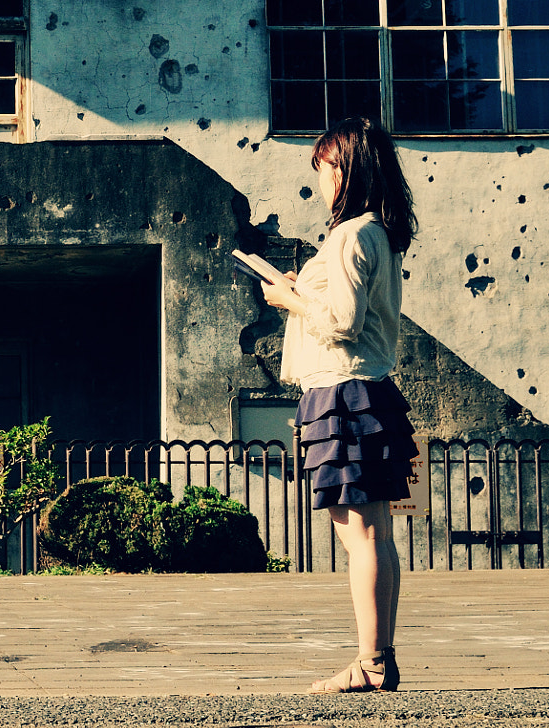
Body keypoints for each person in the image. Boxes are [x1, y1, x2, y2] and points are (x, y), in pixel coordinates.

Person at [236, 116, 418, 693]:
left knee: (361, 536)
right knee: (376, 536)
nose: (320, 180)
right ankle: (377, 659)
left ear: (348, 170)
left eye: (325, 168)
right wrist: (302, 289)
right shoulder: (376, 234)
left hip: (342, 391)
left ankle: (371, 664)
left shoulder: (348, 235)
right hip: (365, 389)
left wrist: (288, 297)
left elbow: (341, 322)